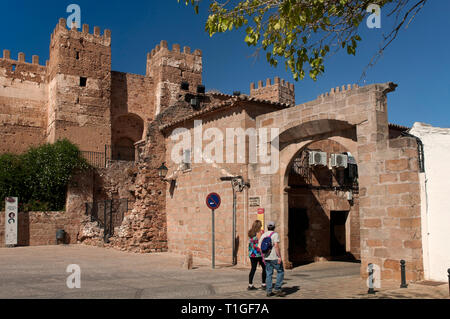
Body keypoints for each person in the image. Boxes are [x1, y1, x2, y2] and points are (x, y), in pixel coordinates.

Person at [259, 221, 285, 297]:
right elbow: (276, 246)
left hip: (267, 258)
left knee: (269, 274)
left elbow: (259, 246)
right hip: (274, 257)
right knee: (280, 271)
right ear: (274, 227)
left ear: (267, 227)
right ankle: (277, 288)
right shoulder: (275, 234)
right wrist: (279, 256)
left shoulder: (263, 235)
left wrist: (264, 254)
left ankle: (269, 291)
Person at [247, 220, 266, 291]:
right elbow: (260, 243)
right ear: (258, 226)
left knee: (253, 269)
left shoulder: (250, 232)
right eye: (260, 225)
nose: (261, 226)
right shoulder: (259, 233)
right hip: (258, 254)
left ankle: (250, 285)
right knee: (264, 268)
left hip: (252, 253)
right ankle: (264, 284)